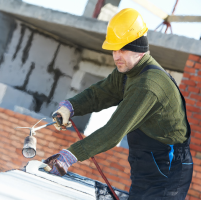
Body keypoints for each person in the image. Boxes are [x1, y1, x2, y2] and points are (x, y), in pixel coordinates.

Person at [43, 8, 193, 200]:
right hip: (148, 167)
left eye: (122, 49)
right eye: (114, 49)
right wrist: (70, 107)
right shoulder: (129, 72)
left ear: (138, 48)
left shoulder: (148, 85)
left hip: (168, 171)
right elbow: (101, 93)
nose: (116, 56)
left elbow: (114, 131)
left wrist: (70, 155)